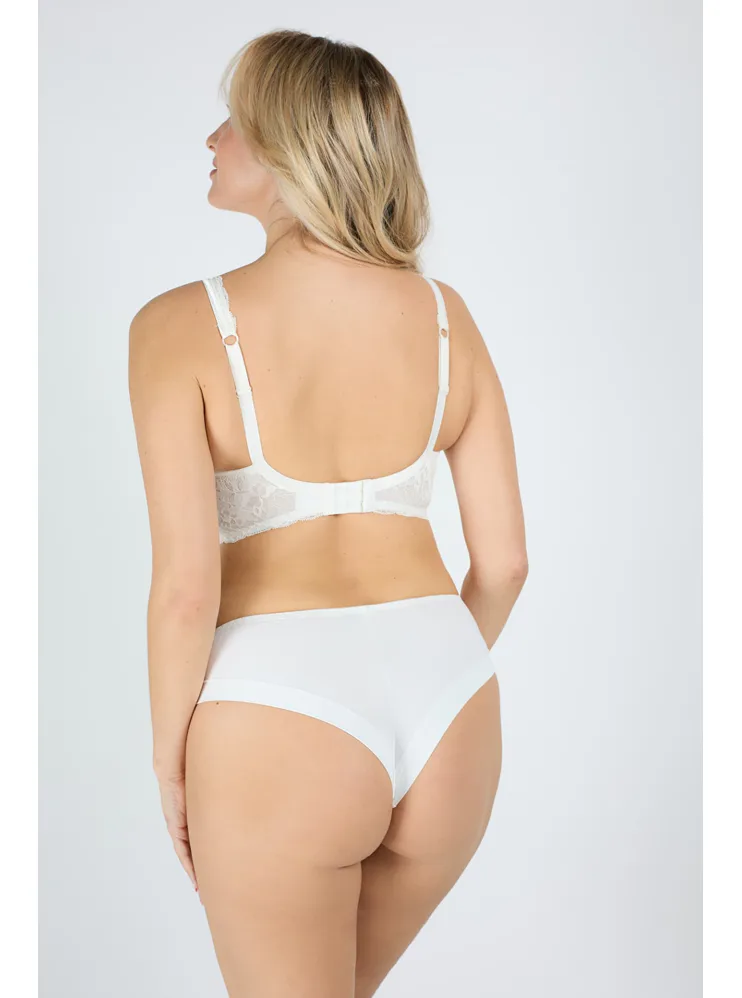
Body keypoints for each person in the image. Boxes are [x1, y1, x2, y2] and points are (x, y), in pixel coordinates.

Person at [128, 28, 528, 998]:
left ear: (287, 144)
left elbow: (186, 592)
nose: (213, 138)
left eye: (234, 120)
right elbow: (506, 562)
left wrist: (173, 765)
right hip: (450, 704)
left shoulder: (178, 325)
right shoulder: (446, 316)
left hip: (278, 711)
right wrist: (425, 662)